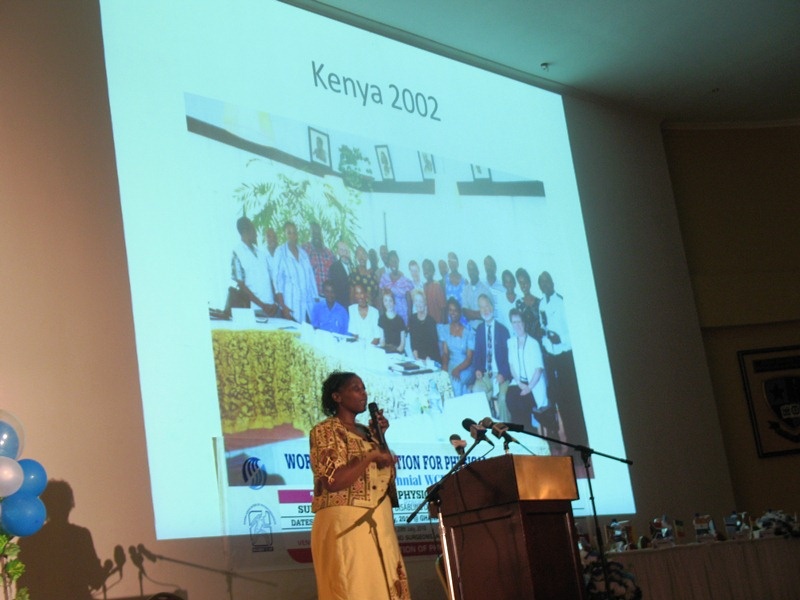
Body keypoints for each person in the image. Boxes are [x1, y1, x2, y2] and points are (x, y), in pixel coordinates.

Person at [309, 372, 411, 600]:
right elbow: (333, 480)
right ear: (337, 396)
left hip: (379, 521)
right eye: (356, 388)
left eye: (364, 388)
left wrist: (380, 438)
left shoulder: (369, 434)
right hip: (347, 524)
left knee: (386, 588)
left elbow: (386, 477)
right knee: (355, 587)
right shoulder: (325, 431)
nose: (363, 394)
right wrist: (370, 456)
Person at [19, 480, 110, 599]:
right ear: (70, 505)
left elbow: (23, 584)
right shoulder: (80, 536)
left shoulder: (29, 540)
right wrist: (107, 568)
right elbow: (95, 580)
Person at [538, 270, 589, 454]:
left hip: (565, 357)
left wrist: (560, 340)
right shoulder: (542, 304)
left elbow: (573, 332)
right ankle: (571, 441)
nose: (545, 285)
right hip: (552, 359)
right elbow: (543, 328)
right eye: (542, 283)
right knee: (560, 401)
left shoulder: (561, 302)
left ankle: (581, 439)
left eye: (547, 281)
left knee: (572, 399)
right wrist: (546, 339)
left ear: (552, 283)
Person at [506, 308, 550, 432]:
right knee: (510, 398)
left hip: (533, 384)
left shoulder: (533, 343)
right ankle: (519, 433)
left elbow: (538, 370)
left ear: (524, 323)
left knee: (522, 403)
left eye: (519, 321)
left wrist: (528, 388)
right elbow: (511, 365)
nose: (517, 325)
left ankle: (529, 432)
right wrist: (519, 383)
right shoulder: (511, 342)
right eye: (514, 322)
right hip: (518, 382)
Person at [472, 293, 511, 421]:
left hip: (501, 374)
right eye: (481, 307)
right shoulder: (479, 330)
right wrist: (478, 369)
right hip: (486, 374)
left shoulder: (503, 330)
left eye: (487, 306)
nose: (485, 310)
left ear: (492, 307)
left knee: (503, 399)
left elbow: (509, 358)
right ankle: (485, 426)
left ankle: (507, 428)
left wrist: (503, 374)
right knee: (476, 391)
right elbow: (477, 354)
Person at [231, 216, 278, 315]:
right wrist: (262, 305)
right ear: (245, 232)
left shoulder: (261, 253)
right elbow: (241, 286)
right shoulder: (237, 253)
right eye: (254, 230)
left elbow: (270, 280)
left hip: (272, 308)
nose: (256, 235)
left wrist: (275, 303)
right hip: (255, 310)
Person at [274, 221, 319, 323]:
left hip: (307, 305)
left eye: (294, 232)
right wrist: (283, 307)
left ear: (297, 234)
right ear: (285, 234)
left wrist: (316, 300)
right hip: (290, 306)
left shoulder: (303, 254)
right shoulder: (280, 252)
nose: (292, 235)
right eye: (289, 232)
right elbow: (277, 281)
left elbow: (310, 278)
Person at [439, 298, 475, 396]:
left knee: (455, 383)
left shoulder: (468, 333)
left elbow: (469, 359)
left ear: (460, 312)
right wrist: (445, 366)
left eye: (455, 310)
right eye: (450, 310)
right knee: (442, 380)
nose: (453, 313)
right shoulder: (444, 329)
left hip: (465, 366)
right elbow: (445, 353)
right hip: (451, 363)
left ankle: (457, 405)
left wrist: (458, 369)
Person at [379, 250, 415, 325]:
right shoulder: (384, 278)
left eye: (395, 261)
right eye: (391, 261)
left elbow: (409, 303)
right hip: (389, 316)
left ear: (398, 261)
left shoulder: (405, 281)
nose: (394, 263)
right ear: (388, 263)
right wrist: (382, 316)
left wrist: (409, 321)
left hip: (403, 317)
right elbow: (381, 298)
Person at [408, 290, 441, 364]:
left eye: (421, 301)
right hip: (418, 358)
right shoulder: (412, 319)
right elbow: (413, 341)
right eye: (416, 301)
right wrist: (416, 358)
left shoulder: (431, 321)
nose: (418, 304)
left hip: (431, 358)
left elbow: (433, 345)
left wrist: (427, 360)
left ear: (425, 302)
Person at [303, 222, 335, 294]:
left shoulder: (329, 253)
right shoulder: (305, 250)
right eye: (314, 233)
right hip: (311, 295)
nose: (316, 236)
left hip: (327, 296)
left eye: (318, 233)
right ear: (310, 234)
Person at [461, 259, 491, 329]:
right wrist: (479, 313)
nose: (471, 272)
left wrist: (471, 314)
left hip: (483, 329)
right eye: (469, 270)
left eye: (473, 269)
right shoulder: (465, 290)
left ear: (478, 271)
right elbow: (465, 312)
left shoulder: (485, 290)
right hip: (469, 330)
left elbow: (487, 312)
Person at [515, 267, 543, 340]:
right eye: (520, 283)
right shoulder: (518, 303)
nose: (523, 285)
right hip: (526, 341)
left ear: (529, 283)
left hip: (540, 340)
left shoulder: (539, 302)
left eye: (525, 282)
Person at [328, 239, 354, 308]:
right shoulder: (334, 268)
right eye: (342, 250)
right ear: (338, 252)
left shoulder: (353, 266)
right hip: (341, 304)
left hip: (354, 304)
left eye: (346, 250)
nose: (345, 253)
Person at [422, 258, 446, 324]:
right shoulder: (424, 286)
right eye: (424, 269)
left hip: (437, 322)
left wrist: (442, 326)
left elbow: (443, 308)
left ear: (433, 271)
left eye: (428, 269)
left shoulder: (437, 287)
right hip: (427, 323)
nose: (426, 272)